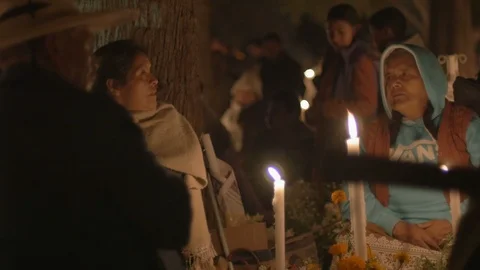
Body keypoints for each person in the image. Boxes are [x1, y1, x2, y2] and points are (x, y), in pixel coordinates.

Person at [0, 2, 191, 270]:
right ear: (55, 47)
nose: (90, 60)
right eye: (84, 46)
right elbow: (169, 220)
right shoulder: (91, 119)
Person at [342, 44, 480, 250]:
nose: (394, 83)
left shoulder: (463, 124)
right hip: (392, 237)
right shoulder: (374, 134)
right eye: (388, 77)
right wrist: (399, 227)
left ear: (429, 78)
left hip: (456, 235)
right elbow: (351, 196)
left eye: (405, 74)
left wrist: (455, 222)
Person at [93, 40, 216, 269]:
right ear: (114, 86)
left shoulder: (168, 122)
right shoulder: (93, 134)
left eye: (150, 71)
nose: (154, 81)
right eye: (142, 74)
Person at [305, 4, 379, 182]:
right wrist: (315, 111)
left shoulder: (361, 61)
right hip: (330, 137)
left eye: (340, 31)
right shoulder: (334, 59)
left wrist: (330, 109)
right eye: (330, 31)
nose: (335, 37)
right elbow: (324, 93)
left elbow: (367, 106)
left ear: (355, 29)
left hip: (353, 138)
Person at [260, 32, 304, 100]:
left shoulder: (291, 66)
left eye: (272, 47)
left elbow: (296, 88)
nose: (269, 51)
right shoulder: (263, 65)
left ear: (279, 46)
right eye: (267, 48)